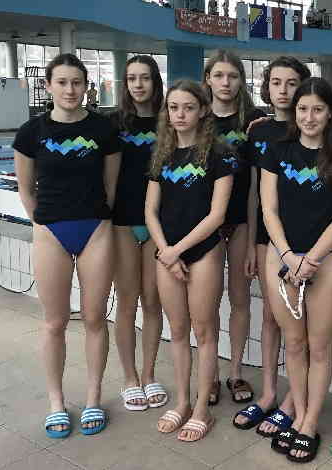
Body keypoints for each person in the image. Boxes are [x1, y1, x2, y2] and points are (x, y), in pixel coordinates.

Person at [13, 53, 122, 439]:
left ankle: (93, 397)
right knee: (55, 322)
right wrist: (41, 223)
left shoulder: (103, 130)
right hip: (51, 232)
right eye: (62, 82)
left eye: (77, 82)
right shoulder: (31, 132)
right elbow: (25, 188)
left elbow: (110, 186)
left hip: (95, 229)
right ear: (48, 86)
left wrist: (100, 218)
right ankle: (56, 401)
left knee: (94, 318)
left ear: (86, 86)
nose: (70, 89)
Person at [261, 77, 332, 463]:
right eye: (303, 109)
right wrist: (288, 256)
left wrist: (309, 261)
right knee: (295, 344)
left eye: (318, 109)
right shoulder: (277, 151)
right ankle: (299, 413)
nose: (309, 116)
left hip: (325, 259)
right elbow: (268, 209)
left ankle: (310, 423)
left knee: (319, 346)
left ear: (330, 113)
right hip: (282, 258)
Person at [146, 79, 238, 442]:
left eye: (188, 107)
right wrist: (166, 251)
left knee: (204, 331)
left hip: (203, 251)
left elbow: (217, 215)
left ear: (203, 111)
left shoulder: (219, 154)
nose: (180, 114)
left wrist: (176, 250)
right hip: (167, 252)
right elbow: (150, 210)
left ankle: (202, 408)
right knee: (178, 331)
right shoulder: (162, 153)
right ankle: (182, 401)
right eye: (173, 107)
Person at [231, 56, 311, 438]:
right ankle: (267, 394)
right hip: (266, 237)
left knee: (297, 323)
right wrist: (250, 244)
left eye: (291, 83)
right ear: (266, 86)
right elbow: (252, 193)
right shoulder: (259, 131)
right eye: (276, 82)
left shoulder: (311, 124)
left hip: (303, 239)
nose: (283, 90)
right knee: (270, 318)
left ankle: (293, 400)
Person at [203, 50, 267, 406]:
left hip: (241, 220)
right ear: (208, 79)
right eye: (219, 75)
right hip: (206, 222)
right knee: (209, 302)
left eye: (232, 76)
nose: (226, 83)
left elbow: (257, 185)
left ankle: (236, 371)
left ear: (241, 80)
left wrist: (255, 238)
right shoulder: (199, 117)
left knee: (240, 299)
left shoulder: (253, 121)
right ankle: (210, 374)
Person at [109, 54, 168, 412]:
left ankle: (149, 374)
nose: (138, 85)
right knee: (128, 301)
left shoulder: (168, 121)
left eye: (144, 78)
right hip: (122, 222)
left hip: (158, 222)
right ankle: (129, 377)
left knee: (152, 301)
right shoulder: (114, 123)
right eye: (132, 78)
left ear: (155, 82)